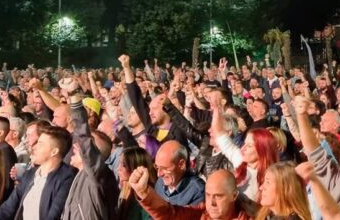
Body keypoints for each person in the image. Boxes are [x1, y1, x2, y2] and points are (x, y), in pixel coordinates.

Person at [60, 76, 120, 220]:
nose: (76, 145)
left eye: (86, 145)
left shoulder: (98, 176)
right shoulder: (79, 175)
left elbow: (82, 134)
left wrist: (74, 95)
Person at [0, 125, 77, 220]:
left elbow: (54, 215)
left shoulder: (67, 177)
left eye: (40, 144)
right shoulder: (30, 174)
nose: (34, 147)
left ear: (54, 151)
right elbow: (7, 208)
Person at [131, 167, 259, 220]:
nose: (212, 203)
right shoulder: (200, 213)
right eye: (208, 195)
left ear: (234, 195)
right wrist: (143, 192)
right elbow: (170, 213)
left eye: (219, 196)